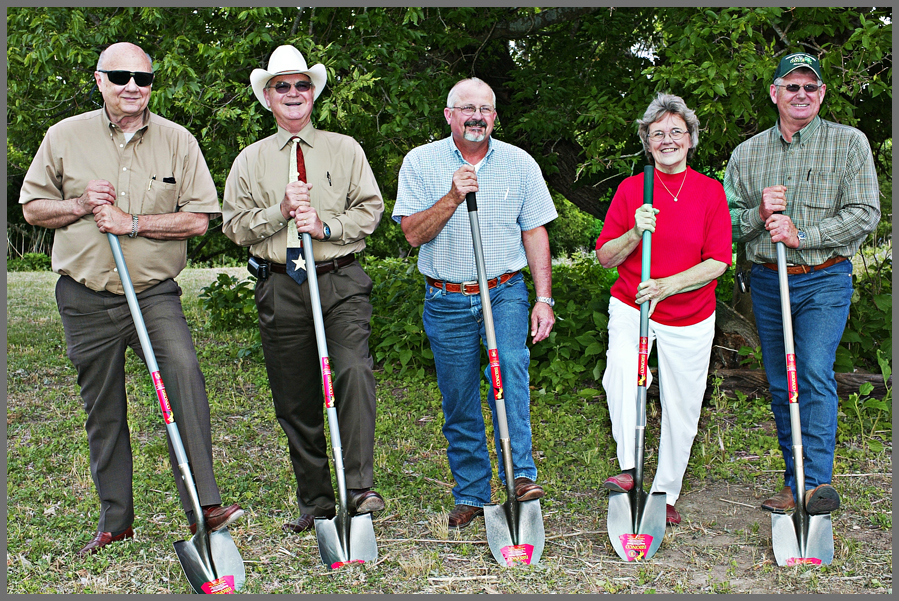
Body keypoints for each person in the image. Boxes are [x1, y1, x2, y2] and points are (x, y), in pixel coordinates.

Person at [19, 42, 243, 557]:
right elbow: (32, 209)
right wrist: (79, 204)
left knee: (184, 373)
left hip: (152, 294)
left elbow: (199, 219)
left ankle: (204, 505)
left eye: (142, 78)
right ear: (99, 80)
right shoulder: (64, 136)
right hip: (85, 296)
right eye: (120, 76)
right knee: (103, 408)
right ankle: (116, 520)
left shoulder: (177, 141)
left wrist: (132, 223)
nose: (132, 87)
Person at [222, 45, 385, 534]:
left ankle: (358, 490)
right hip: (280, 284)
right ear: (268, 97)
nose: (293, 93)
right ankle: (315, 500)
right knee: (295, 397)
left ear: (313, 93)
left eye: (301, 84)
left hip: (339, 279)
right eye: (281, 86)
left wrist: (326, 226)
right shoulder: (250, 161)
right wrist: (280, 212)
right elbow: (232, 225)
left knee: (354, 370)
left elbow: (370, 211)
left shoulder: (345, 148)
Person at [393, 77, 557, 530]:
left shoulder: (519, 163)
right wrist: (453, 196)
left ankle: (520, 476)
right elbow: (412, 233)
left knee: (510, 372)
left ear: (495, 117)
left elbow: (535, 230)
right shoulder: (421, 163)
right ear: (449, 115)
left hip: (503, 289)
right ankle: (471, 491)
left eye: (485, 109)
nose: (477, 116)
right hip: (446, 297)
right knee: (459, 395)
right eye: (467, 108)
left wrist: (543, 298)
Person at [725, 53, 880, 516]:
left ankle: (815, 486)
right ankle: (794, 482)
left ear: (822, 94)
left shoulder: (848, 143)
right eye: (792, 86)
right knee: (779, 382)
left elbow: (865, 213)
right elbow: (724, 226)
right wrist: (759, 215)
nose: (802, 95)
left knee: (811, 371)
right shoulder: (747, 153)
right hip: (770, 283)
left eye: (811, 87)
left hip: (824, 278)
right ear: (775, 93)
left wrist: (802, 235)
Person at [596, 93, 732, 526]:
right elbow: (606, 257)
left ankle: (665, 491)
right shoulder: (632, 189)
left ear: (690, 139)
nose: (667, 139)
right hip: (633, 306)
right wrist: (636, 232)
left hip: (690, 312)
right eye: (658, 133)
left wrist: (668, 286)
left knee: (683, 404)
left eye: (676, 132)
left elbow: (718, 261)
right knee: (620, 373)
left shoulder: (710, 192)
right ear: (647, 142)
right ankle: (630, 468)